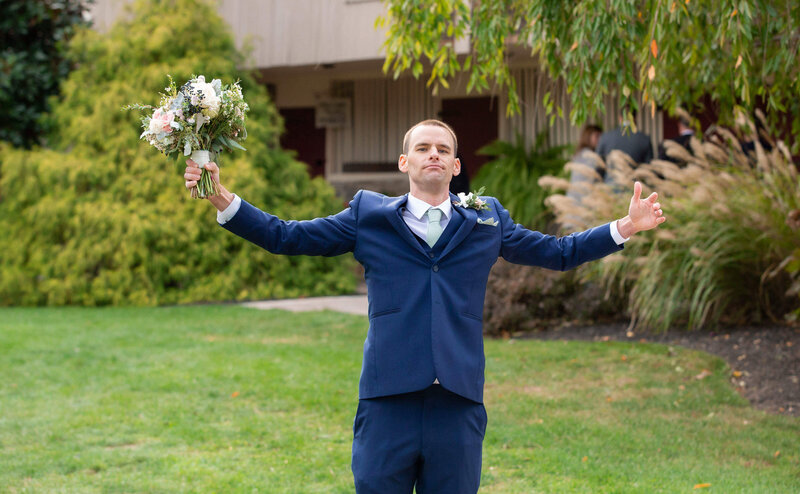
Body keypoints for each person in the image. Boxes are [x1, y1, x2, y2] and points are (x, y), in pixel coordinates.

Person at [184, 119, 666, 494]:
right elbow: (285, 236)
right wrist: (222, 197)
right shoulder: (366, 216)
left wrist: (624, 228)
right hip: (386, 399)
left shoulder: (487, 219)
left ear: (456, 167)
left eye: (443, 149)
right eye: (422, 148)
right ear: (404, 163)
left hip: (456, 402)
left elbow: (559, 254)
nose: (433, 154)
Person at [596, 112, 654, 184]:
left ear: (620, 118)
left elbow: (598, 166)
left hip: (610, 187)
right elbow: (648, 169)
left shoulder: (605, 137)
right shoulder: (644, 139)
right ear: (635, 118)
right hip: (634, 187)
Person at [567, 124, 603, 201]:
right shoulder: (587, 154)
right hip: (582, 198)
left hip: (574, 197)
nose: (600, 139)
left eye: (601, 136)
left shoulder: (580, 153)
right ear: (588, 137)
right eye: (597, 136)